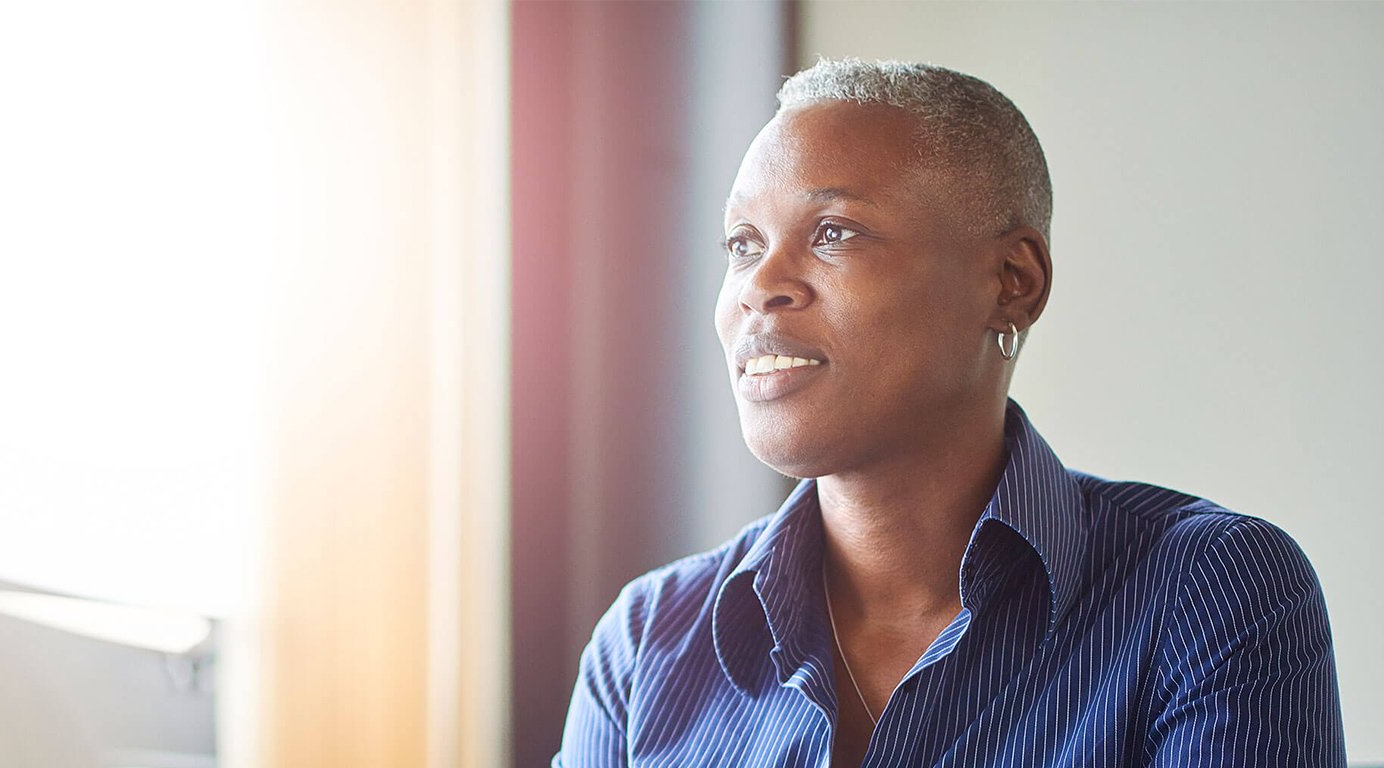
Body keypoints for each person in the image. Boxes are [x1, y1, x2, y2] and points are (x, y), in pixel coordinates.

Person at [552, 59, 1343, 767]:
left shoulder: (1209, 592)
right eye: (742, 244)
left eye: (833, 232)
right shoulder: (648, 644)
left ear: (1012, 281)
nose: (762, 283)